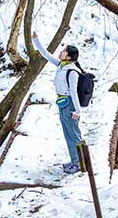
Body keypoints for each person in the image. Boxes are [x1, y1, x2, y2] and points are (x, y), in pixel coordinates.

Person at [32, 31, 83, 174]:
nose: (61, 52)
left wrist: (77, 111)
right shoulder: (62, 65)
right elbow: (47, 55)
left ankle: (79, 163)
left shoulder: (72, 71)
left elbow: (73, 92)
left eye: (64, 51)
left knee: (73, 134)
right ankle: (75, 160)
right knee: (68, 134)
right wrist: (36, 40)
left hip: (70, 104)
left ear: (69, 56)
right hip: (62, 102)